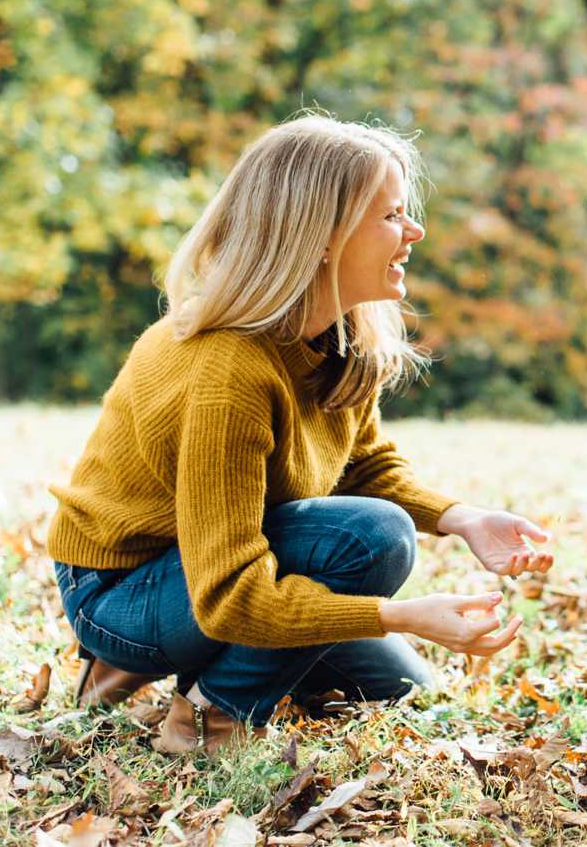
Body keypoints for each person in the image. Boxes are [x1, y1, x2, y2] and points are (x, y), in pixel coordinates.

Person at [47, 115, 554, 755]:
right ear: (320, 235)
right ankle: (203, 718)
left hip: (226, 556)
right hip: (125, 588)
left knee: (397, 685)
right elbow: (230, 596)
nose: (414, 231)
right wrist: (400, 615)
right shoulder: (230, 368)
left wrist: (464, 519)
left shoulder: (337, 340)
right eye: (392, 215)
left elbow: (365, 469)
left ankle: (195, 669)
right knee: (374, 539)